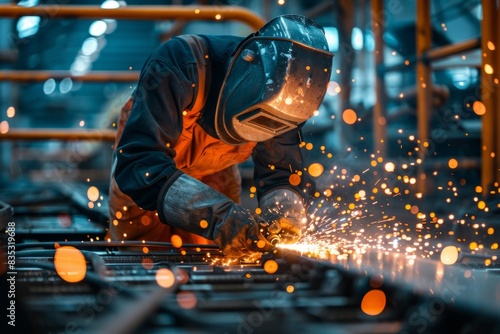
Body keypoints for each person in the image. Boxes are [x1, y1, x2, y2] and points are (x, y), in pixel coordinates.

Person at [106, 14, 334, 259]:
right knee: (145, 257)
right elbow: (139, 165)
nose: (267, 128)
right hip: (149, 174)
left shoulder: (288, 96)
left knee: (221, 254)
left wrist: (284, 214)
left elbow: (280, 172)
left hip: (215, 172)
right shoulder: (179, 64)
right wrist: (217, 216)